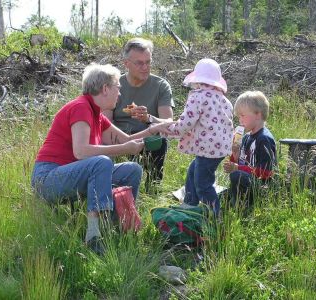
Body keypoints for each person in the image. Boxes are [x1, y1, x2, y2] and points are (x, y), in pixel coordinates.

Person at [31, 63, 172, 255]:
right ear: (105, 89)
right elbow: (81, 152)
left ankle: (118, 226)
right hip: (48, 179)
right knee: (102, 161)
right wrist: (123, 148)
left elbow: (127, 140)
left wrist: (151, 129)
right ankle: (94, 234)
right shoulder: (81, 107)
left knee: (133, 169)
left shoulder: (97, 115)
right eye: (117, 89)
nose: (120, 95)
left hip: (72, 174)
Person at [103, 37, 174, 192]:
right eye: (139, 63)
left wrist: (149, 118)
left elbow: (168, 122)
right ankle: (111, 188)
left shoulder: (160, 86)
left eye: (148, 62)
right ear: (126, 63)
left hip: (148, 140)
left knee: (160, 142)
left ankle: (153, 189)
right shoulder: (115, 85)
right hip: (119, 138)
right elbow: (105, 122)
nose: (145, 67)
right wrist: (120, 140)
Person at [165, 58, 233, 216]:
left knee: (203, 184)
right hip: (220, 148)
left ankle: (215, 215)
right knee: (193, 170)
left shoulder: (198, 96)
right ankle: (190, 202)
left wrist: (173, 130)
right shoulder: (224, 100)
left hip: (207, 148)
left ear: (197, 79)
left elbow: (187, 121)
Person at [223, 91, 277, 211]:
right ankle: (235, 201)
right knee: (222, 191)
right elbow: (242, 163)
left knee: (237, 175)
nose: (240, 120)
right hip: (247, 183)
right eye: (238, 117)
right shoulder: (246, 137)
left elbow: (266, 173)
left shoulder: (264, 139)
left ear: (258, 115)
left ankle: (245, 208)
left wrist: (237, 168)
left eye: (242, 115)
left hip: (262, 186)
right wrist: (235, 155)